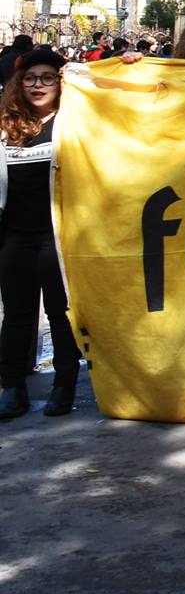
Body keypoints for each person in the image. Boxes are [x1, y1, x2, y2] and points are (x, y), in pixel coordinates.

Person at [0, 47, 81, 419]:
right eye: (30, 78)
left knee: (61, 313)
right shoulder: (7, 126)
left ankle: (64, 385)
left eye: (47, 77)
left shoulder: (73, 122)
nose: (38, 85)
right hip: (14, 236)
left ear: (60, 83)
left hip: (58, 236)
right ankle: (12, 388)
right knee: (17, 315)